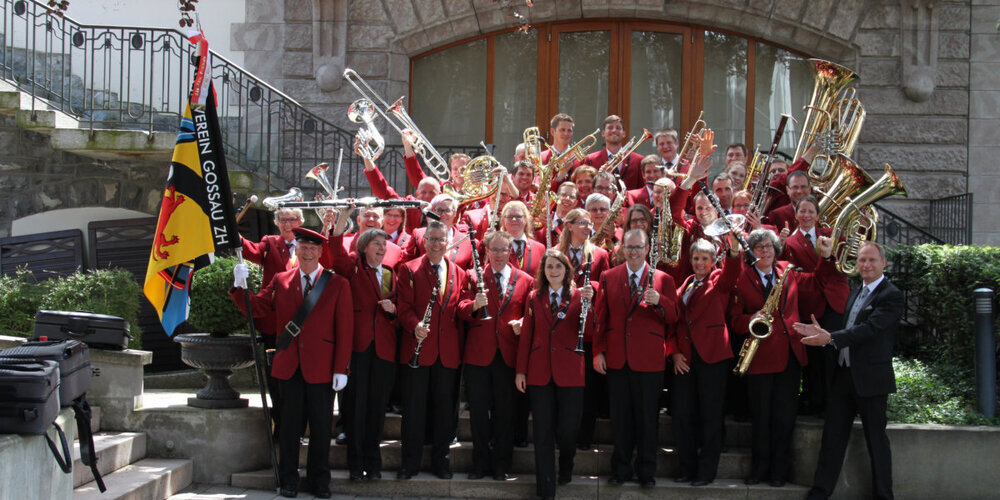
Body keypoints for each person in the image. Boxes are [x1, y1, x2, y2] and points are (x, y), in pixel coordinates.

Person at [231, 227, 353, 499]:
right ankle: (288, 480)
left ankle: (319, 481)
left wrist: (341, 368)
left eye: (313, 248)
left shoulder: (337, 284)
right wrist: (240, 287)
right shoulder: (281, 279)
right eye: (303, 247)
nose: (307, 252)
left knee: (321, 429)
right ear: (296, 250)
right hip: (288, 366)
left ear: (321, 252)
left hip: (322, 369)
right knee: (288, 428)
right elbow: (257, 308)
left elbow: (345, 330)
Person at [728, 228, 841, 488]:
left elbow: (815, 283)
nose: (765, 251)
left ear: (776, 249)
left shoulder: (787, 271)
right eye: (759, 248)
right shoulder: (742, 278)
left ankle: (780, 471)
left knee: (784, 418)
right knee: (762, 418)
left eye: (769, 246)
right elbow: (734, 320)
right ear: (751, 252)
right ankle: (759, 470)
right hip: (759, 357)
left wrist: (825, 257)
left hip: (789, 356)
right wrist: (751, 319)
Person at [794, 242, 902, 500]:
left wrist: (830, 337)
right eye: (862, 260)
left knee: (876, 441)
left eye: (871, 260)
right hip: (843, 376)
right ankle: (820, 493)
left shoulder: (891, 295)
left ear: (883, 263)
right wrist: (823, 336)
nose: (866, 265)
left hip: (871, 380)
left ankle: (884, 496)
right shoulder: (854, 291)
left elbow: (870, 330)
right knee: (831, 440)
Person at [594, 229, 680, 489]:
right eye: (629, 247)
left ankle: (646, 472)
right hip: (618, 359)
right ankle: (620, 470)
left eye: (638, 247)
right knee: (620, 420)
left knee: (647, 420)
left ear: (647, 250)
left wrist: (660, 301)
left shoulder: (663, 279)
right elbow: (600, 318)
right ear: (622, 249)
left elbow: (675, 316)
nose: (633, 252)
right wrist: (598, 351)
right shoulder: (609, 276)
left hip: (649, 360)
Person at [515, 249, 595, 500]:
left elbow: (591, 332)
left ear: (567, 269)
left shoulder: (580, 295)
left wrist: (589, 306)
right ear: (543, 270)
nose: (553, 271)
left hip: (570, 371)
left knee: (568, 429)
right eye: (549, 266)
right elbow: (527, 334)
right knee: (541, 432)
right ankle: (545, 488)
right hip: (539, 372)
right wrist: (521, 370)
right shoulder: (533, 297)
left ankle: (567, 464)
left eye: (558, 266)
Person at [324, 216, 399, 482]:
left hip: (384, 351)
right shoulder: (353, 267)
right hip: (357, 348)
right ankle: (356, 465)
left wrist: (394, 311)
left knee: (377, 409)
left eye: (384, 245)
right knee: (355, 409)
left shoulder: (390, 273)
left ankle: (374, 463)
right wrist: (341, 219)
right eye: (376, 244)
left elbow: (396, 310)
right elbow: (334, 251)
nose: (381, 248)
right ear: (364, 246)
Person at [396, 220, 469, 480]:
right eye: (432, 239)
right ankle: (409, 463)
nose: (437, 244)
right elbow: (402, 306)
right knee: (413, 411)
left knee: (444, 412)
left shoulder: (460, 272)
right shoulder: (409, 269)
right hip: (417, 348)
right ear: (424, 241)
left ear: (448, 242)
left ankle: (442, 462)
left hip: (447, 352)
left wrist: (474, 307)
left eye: (441, 239)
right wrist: (414, 325)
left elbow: (460, 307)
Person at [458, 230, 534, 481]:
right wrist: (474, 305)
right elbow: (461, 308)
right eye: (495, 249)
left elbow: (530, 315)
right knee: (479, 414)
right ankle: (480, 464)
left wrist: (523, 321)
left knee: (505, 414)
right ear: (486, 251)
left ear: (510, 251)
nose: (499, 254)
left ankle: (502, 464)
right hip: (478, 356)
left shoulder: (525, 279)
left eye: (504, 250)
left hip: (508, 356)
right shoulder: (471, 276)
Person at [670, 236, 741, 486]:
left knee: (711, 416)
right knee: (682, 414)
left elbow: (732, 272)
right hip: (685, 359)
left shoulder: (718, 281)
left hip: (712, 357)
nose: (700, 263)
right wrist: (675, 352)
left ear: (713, 262)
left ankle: (706, 472)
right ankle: (686, 468)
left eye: (705, 259)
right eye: (696, 258)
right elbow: (677, 321)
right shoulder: (685, 284)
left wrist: (733, 251)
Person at [781, 195, 850, 415]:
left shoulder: (832, 235)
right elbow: (805, 276)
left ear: (818, 216)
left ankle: (835, 401)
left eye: (811, 211)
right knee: (813, 356)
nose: (806, 216)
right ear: (796, 214)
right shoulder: (790, 243)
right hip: (811, 303)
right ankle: (815, 400)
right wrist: (825, 259)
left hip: (834, 303)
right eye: (802, 211)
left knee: (832, 353)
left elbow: (847, 260)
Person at [584, 115, 645, 190]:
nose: (614, 130)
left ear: (624, 134)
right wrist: (599, 176)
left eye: (618, 128)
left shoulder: (638, 160)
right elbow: (586, 188)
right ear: (603, 133)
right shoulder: (590, 159)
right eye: (610, 128)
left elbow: (642, 189)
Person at [501, 201, 545, 276]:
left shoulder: (540, 248)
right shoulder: (497, 246)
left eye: (518, 216)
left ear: (525, 220)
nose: (514, 219)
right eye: (510, 217)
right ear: (504, 220)